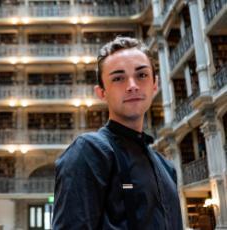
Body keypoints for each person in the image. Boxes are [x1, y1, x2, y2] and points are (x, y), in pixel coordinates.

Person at [52, 37, 183, 229]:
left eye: (142, 75)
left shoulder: (167, 167)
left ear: (155, 85)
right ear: (101, 93)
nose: (132, 85)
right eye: (118, 78)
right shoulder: (89, 152)